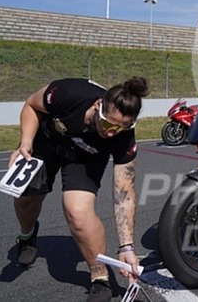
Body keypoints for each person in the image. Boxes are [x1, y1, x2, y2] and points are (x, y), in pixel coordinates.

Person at [9, 77, 150, 302]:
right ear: (98, 106)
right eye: (108, 124)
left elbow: (124, 194)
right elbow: (31, 105)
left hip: (85, 158)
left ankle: (100, 276)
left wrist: (127, 247)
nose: (112, 133)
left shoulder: (123, 138)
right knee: (26, 201)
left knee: (78, 212)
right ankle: (27, 235)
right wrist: (25, 142)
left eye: (121, 127)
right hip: (47, 143)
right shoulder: (70, 93)